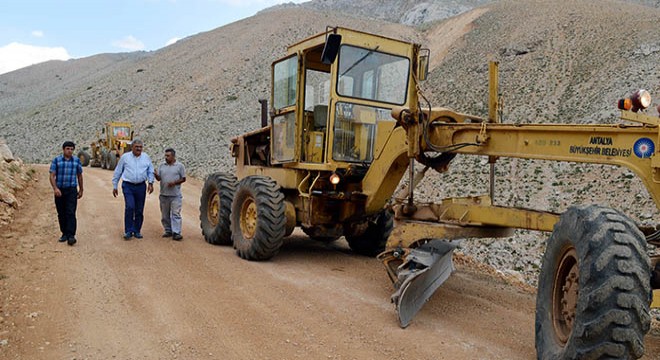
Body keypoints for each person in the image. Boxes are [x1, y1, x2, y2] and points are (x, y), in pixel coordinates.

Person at [112, 138, 154, 240]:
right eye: (136, 147)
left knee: (139, 209)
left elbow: (150, 170)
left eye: (140, 147)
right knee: (130, 207)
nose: (139, 149)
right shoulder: (125, 158)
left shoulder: (146, 157)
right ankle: (128, 231)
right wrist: (115, 185)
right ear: (132, 147)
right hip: (128, 186)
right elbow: (118, 171)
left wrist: (151, 182)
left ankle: (137, 230)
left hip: (141, 186)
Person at [49, 141, 83, 246]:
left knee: (71, 212)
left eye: (72, 149)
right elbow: (52, 175)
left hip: (71, 190)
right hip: (60, 190)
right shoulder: (57, 160)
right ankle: (64, 233)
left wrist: (81, 189)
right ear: (63, 149)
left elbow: (80, 175)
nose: (70, 151)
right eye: (68, 148)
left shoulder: (76, 161)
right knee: (61, 213)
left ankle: (71, 235)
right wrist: (55, 188)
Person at [154, 148, 186, 240]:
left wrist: (174, 183)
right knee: (165, 214)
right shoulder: (162, 166)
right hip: (164, 194)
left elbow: (183, 179)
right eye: (165, 155)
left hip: (175, 195)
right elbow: (159, 179)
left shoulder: (180, 166)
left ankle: (176, 232)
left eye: (168, 156)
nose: (166, 157)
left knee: (175, 213)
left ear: (173, 156)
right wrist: (156, 175)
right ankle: (168, 230)